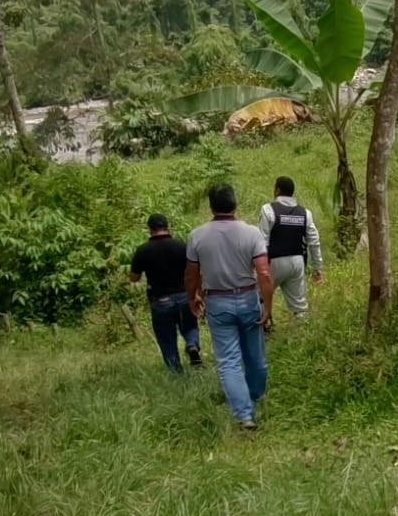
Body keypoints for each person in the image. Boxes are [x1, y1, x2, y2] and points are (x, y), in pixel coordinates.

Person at [185, 184, 272, 430]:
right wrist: (267, 305)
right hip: (248, 298)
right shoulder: (252, 233)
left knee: (229, 361)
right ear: (235, 204)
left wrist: (192, 298)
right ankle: (255, 397)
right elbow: (264, 273)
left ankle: (244, 415)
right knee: (255, 356)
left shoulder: (197, 236)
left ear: (211, 206)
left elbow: (191, 274)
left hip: (217, 302)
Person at [129, 212, 201, 372]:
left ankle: (176, 371)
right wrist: (196, 293)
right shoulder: (181, 246)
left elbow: (134, 278)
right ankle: (192, 345)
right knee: (190, 325)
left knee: (166, 337)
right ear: (168, 227)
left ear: (150, 229)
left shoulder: (143, 250)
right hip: (184, 295)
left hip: (160, 300)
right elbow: (194, 271)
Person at [257, 175, 322, 321]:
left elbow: (262, 241)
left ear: (277, 190)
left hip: (273, 262)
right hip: (297, 262)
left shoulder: (268, 210)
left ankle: (265, 326)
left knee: (260, 297)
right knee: (299, 307)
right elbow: (314, 241)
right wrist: (317, 267)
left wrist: (260, 267)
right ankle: (302, 330)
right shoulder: (305, 213)